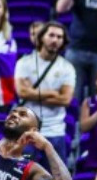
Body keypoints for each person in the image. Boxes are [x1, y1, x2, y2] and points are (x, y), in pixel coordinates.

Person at [14, 21, 75, 166]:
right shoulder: (24, 63)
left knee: (56, 177)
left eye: (59, 37)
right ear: (42, 37)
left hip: (55, 131)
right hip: (26, 131)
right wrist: (53, 93)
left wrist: (33, 93)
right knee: (22, 176)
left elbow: (66, 100)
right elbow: (22, 92)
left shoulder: (67, 68)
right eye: (51, 35)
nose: (55, 40)